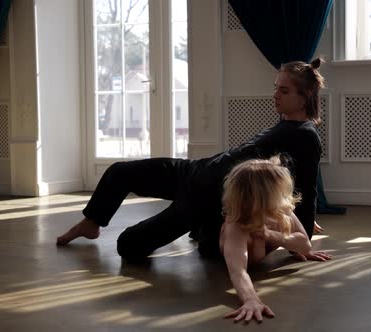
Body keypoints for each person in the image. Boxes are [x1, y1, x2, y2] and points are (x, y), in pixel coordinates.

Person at [56, 58, 331, 322]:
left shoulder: (305, 135)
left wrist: (302, 233)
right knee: (120, 171)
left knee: (129, 246)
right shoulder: (287, 123)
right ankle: (92, 222)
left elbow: (305, 183)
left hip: (204, 197)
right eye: (275, 87)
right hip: (197, 169)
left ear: (304, 97)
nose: (275, 95)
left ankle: (204, 228)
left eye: (283, 90)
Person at [220, 156, 330, 323]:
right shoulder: (236, 226)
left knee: (278, 229)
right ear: (265, 197)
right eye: (281, 191)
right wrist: (250, 299)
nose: (285, 195)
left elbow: (305, 244)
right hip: (216, 248)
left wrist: (270, 235)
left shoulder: (281, 211)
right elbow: (238, 271)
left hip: (260, 240)